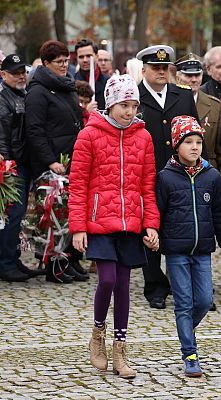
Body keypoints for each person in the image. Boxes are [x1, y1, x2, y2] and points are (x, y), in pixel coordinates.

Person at [68, 74, 160, 379]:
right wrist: (78, 226)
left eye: (134, 105)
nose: (130, 111)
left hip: (130, 222)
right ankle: (98, 334)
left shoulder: (144, 137)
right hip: (98, 222)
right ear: (111, 104)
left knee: (122, 285)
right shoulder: (89, 135)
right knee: (106, 279)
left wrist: (151, 224)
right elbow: (78, 184)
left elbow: (148, 185)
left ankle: (120, 349)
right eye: (124, 104)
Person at [156, 115, 221, 377]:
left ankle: (186, 329)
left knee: (205, 300)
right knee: (183, 303)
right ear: (177, 146)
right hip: (176, 250)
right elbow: (159, 212)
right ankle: (190, 352)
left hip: (203, 250)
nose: (195, 147)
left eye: (198, 141)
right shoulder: (165, 177)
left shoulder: (212, 176)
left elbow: (219, 213)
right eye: (188, 142)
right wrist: (154, 236)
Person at [136, 44, 199, 309]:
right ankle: (155, 286)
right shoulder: (134, 96)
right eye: (156, 68)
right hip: (146, 173)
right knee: (149, 227)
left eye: (165, 68)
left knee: (177, 226)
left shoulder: (182, 95)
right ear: (144, 70)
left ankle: (182, 282)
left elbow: (194, 132)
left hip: (178, 172)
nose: (162, 72)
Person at [25, 40, 87, 283]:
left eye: (66, 61)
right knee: (54, 216)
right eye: (59, 62)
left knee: (69, 214)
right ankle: (54, 265)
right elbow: (34, 130)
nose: (64, 65)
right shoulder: (38, 91)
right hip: (52, 164)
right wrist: (50, 161)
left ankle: (68, 259)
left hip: (72, 158)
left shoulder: (66, 86)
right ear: (46, 63)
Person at [0, 54, 37, 282]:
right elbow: (2, 137)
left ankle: (12, 259)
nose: (21, 76)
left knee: (17, 216)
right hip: (11, 166)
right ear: (3, 75)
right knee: (12, 217)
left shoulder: (20, 94)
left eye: (22, 71)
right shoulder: (3, 99)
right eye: (15, 73)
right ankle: (5, 264)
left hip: (22, 163)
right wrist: (6, 166)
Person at [175, 54, 221, 182]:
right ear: (178, 77)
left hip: (208, 172)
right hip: (177, 173)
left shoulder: (214, 105)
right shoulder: (169, 103)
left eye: (197, 75)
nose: (194, 80)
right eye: (188, 75)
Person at [74, 39, 109, 110]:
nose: (85, 60)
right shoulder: (71, 83)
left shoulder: (109, 82)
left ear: (97, 56)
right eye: (81, 57)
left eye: (88, 56)